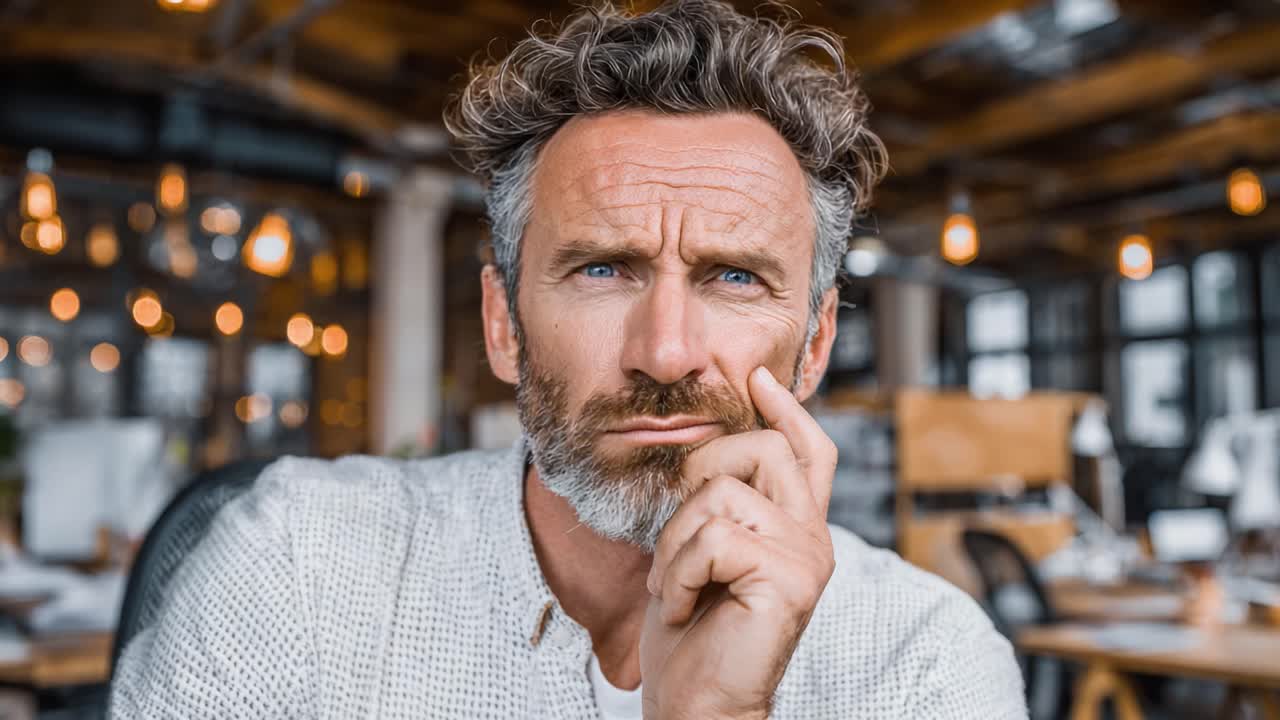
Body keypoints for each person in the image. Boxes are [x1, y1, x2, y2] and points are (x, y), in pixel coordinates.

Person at [110, 1, 1026, 717]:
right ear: (504, 322)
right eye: (601, 268)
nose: (665, 352)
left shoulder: (925, 660)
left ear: (818, 340)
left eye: (735, 278)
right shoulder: (293, 568)